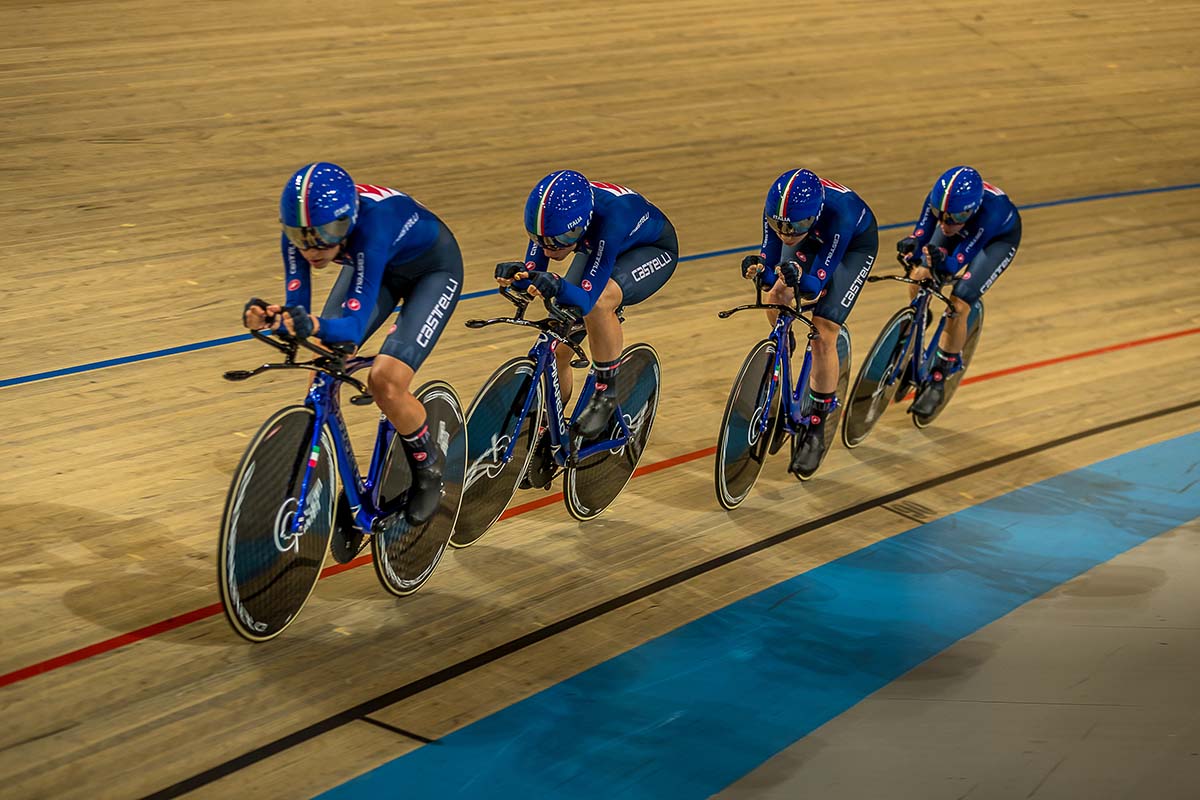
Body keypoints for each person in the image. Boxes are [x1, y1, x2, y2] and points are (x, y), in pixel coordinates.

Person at [242, 162, 463, 526]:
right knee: (323, 362)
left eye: (326, 234)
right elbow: (299, 312)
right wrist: (274, 319)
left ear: (346, 221)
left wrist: (309, 324)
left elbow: (349, 328)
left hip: (433, 271)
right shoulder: (302, 233)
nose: (313, 249)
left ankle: (429, 468)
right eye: (302, 238)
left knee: (385, 382)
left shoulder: (372, 227)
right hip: (379, 268)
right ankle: (339, 475)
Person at [495, 169, 678, 488]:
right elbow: (536, 271)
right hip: (599, 248)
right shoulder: (551, 221)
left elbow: (588, 296)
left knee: (599, 302)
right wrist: (521, 277)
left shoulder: (611, 219)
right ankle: (548, 432)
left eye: (561, 241)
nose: (551, 249)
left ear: (580, 225)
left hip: (649, 251)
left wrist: (554, 284)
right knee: (557, 345)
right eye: (541, 241)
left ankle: (606, 393)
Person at [739, 168, 878, 480]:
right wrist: (759, 271)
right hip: (814, 235)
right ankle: (782, 352)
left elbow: (815, 284)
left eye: (794, 227)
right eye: (779, 226)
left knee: (823, 331)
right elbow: (770, 265)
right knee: (776, 292)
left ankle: (817, 423)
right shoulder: (782, 215)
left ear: (812, 215)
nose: (786, 234)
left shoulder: (841, 214)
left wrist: (801, 276)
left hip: (851, 247)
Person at [896, 166, 1021, 417]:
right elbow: (922, 231)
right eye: (939, 215)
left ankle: (942, 373)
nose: (944, 223)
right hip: (966, 227)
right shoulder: (940, 204)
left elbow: (957, 261)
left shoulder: (990, 214)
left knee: (959, 303)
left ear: (970, 211)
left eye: (952, 218)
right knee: (919, 275)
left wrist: (941, 261)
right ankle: (921, 319)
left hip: (996, 241)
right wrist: (914, 243)